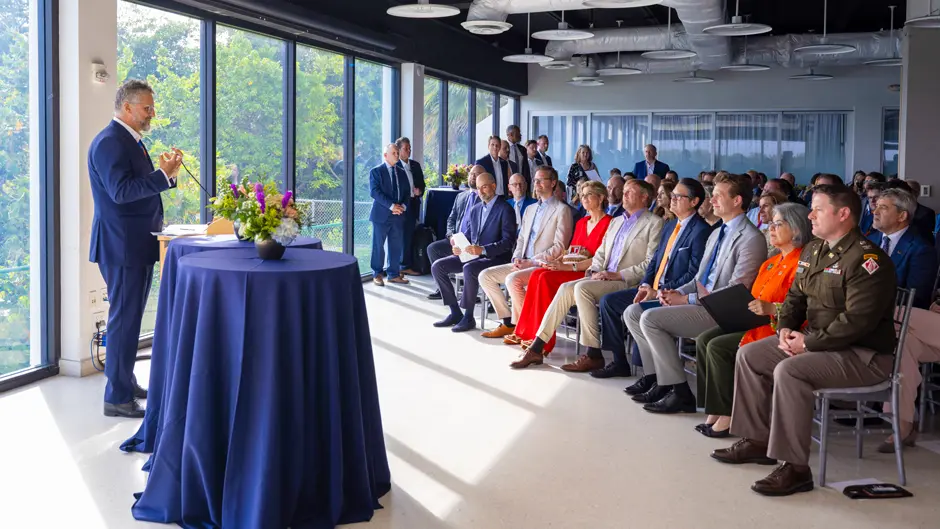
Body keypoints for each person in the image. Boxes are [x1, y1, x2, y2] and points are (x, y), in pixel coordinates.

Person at [712, 184, 897, 497]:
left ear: (843, 214)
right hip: (820, 344)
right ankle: (758, 441)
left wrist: (808, 344)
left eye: (818, 210)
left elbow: (857, 322)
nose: (810, 216)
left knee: (790, 370)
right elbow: (795, 298)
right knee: (751, 355)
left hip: (863, 356)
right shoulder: (815, 250)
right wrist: (785, 328)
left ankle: (796, 468)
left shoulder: (867, 259)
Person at [624, 173, 767, 413]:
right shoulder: (717, 232)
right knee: (634, 312)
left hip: (721, 311)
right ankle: (657, 379)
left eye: (719, 195)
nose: (712, 200)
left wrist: (686, 299)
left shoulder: (751, 238)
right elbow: (697, 279)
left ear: (737, 201)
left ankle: (679, 391)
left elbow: (736, 290)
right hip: (700, 302)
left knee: (650, 319)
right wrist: (672, 292)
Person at [89, 79, 182, 418]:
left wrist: (167, 175)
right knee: (124, 321)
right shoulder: (110, 142)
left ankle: (125, 384)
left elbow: (138, 188)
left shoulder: (130, 141)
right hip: (122, 246)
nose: (152, 113)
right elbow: (121, 192)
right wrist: (160, 175)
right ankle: (116, 397)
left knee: (129, 321)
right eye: (147, 107)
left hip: (135, 244)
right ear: (127, 107)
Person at [510, 179, 664, 369]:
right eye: (624, 191)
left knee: (581, 289)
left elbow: (650, 263)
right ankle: (537, 347)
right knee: (566, 288)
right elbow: (601, 253)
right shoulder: (617, 221)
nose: (623, 195)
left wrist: (618, 275)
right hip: (603, 276)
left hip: (626, 280)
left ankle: (593, 353)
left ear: (644, 197)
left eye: (629, 192)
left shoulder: (654, 223)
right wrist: (594, 271)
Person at [694, 203, 811, 438]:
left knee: (718, 347)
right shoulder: (770, 262)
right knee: (704, 339)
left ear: (796, 229)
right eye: (771, 224)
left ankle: (729, 414)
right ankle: (715, 407)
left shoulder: (803, 263)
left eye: (778, 224)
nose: (771, 228)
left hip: (778, 328)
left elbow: (805, 307)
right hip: (754, 321)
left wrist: (772, 308)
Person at [594, 178, 712, 378]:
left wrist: (658, 291)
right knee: (609, 302)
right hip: (653, 287)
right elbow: (655, 261)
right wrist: (646, 284)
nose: (672, 199)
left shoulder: (701, 231)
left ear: (694, 202)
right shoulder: (670, 225)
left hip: (673, 292)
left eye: (679, 196)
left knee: (639, 312)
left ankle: (653, 375)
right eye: (672, 195)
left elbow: (693, 274)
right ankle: (620, 362)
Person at [504, 180, 613, 353]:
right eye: (582, 195)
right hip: (570, 266)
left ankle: (543, 342)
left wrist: (568, 266)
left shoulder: (610, 223)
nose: (584, 199)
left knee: (545, 279)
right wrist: (558, 262)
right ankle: (526, 331)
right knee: (537, 274)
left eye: (589, 195)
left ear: (601, 198)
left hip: (587, 272)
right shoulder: (582, 222)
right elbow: (571, 250)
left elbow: (602, 258)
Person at [479, 166, 574, 339]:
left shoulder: (562, 210)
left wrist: (532, 261)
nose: (536, 183)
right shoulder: (530, 209)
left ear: (553, 183)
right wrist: (516, 257)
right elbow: (521, 238)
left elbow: (560, 247)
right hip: (522, 262)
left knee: (512, 280)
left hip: (542, 265)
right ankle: (509, 322)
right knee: (485, 276)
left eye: (541, 180)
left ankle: (527, 330)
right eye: (535, 180)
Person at [430, 173, 516, 332]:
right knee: (437, 266)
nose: (481, 192)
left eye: (484, 187)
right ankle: (455, 312)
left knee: (469, 268)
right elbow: (469, 235)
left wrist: (483, 249)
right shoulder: (476, 209)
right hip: (473, 255)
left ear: (494, 186)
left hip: (496, 257)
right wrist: (458, 246)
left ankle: (468, 317)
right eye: (478, 188)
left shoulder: (505, 209)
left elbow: (508, 242)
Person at [869, 188, 937, 309]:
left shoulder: (921, 250)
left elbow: (914, 298)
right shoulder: (869, 240)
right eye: (876, 206)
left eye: (883, 207)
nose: (875, 212)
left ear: (902, 216)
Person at [426, 165, 485, 300]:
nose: (473, 176)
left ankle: (470, 291)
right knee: (432, 248)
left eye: (477, 174)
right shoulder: (461, 196)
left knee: (471, 257)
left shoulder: (485, 198)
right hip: (456, 240)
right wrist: (451, 236)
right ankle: (443, 289)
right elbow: (451, 219)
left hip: (474, 243)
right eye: (472, 174)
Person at [369, 143, 411, 287]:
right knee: (378, 246)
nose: (397, 155)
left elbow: (407, 192)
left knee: (396, 246)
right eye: (394, 153)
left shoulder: (401, 172)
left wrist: (402, 206)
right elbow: (374, 192)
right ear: (385, 155)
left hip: (398, 215)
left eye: (397, 153)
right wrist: (392, 206)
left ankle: (393, 274)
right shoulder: (376, 171)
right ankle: (377, 274)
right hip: (381, 215)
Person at [395, 137, 427, 276]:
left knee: (409, 235)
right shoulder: (395, 166)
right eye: (405, 148)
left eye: (409, 148)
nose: (408, 151)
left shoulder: (415, 165)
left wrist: (420, 191)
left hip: (413, 204)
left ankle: (405, 265)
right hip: (400, 206)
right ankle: (398, 265)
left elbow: (422, 185)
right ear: (398, 150)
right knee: (399, 236)